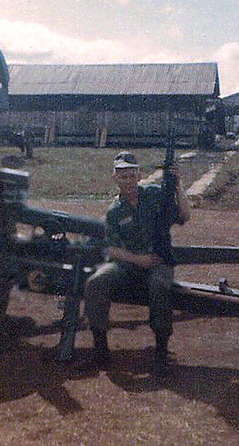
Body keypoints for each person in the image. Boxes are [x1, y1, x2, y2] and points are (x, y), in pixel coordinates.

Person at [83, 151, 191, 376]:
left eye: (132, 176)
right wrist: (136, 259)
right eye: (123, 177)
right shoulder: (114, 212)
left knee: (160, 286)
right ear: (115, 179)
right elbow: (110, 249)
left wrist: (178, 184)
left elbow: (184, 215)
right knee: (95, 282)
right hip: (129, 265)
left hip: (158, 262)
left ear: (139, 175)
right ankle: (100, 350)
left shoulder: (154, 195)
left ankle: (161, 351)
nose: (128, 181)